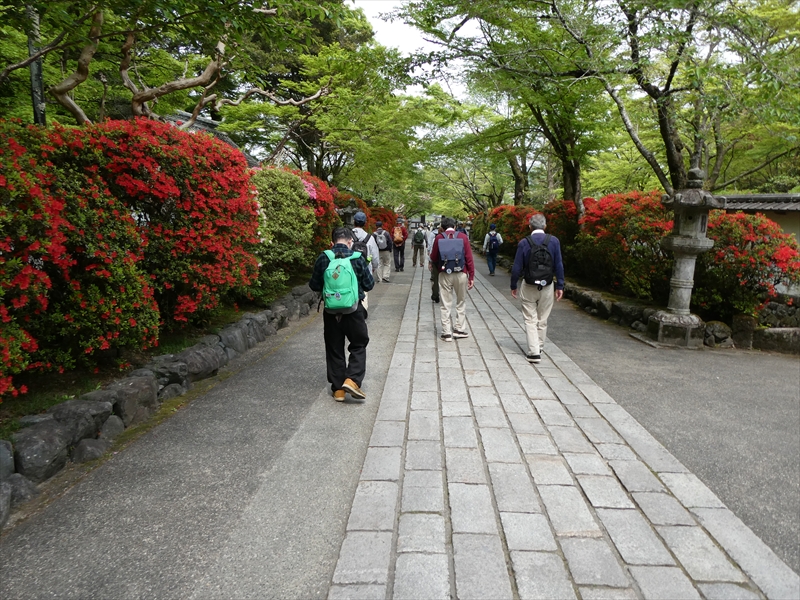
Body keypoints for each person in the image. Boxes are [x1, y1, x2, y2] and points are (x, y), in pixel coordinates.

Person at [308, 227, 375, 401]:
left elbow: (314, 285)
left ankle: (338, 390)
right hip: (353, 311)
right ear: (350, 242)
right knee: (359, 343)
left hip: (331, 312)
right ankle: (352, 380)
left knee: (334, 348)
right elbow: (369, 285)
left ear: (332, 242)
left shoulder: (324, 258)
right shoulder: (357, 258)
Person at [510, 213, 564, 364]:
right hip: (547, 285)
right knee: (542, 318)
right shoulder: (554, 241)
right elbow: (559, 264)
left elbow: (516, 267)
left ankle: (533, 352)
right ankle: (539, 346)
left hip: (529, 285)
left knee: (530, 318)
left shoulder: (524, 242)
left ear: (530, 226)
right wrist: (560, 285)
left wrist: (513, 285)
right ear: (545, 226)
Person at [429, 217, 475, 341]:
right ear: (454, 227)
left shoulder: (439, 237)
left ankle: (446, 332)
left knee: (445, 303)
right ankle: (459, 329)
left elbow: (433, 256)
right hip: (461, 273)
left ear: (442, 228)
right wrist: (471, 276)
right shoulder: (463, 237)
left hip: (445, 273)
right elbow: (469, 257)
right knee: (461, 302)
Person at [352, 211, 380, 309]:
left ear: (354, 221)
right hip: (365, 269)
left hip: (349, 270)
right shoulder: (369, 238)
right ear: (364, 223)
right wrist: (374, 267)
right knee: (364, 292)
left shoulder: (348, 236)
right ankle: (362, 311)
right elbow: (375, 257)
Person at [428, 224, 442, 303]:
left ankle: (435, 295)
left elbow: (432, 251)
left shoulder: (435, 239)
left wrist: (430, 262)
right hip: (447, 262)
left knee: (436, 279)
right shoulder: (450, 238)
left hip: (436, 262)